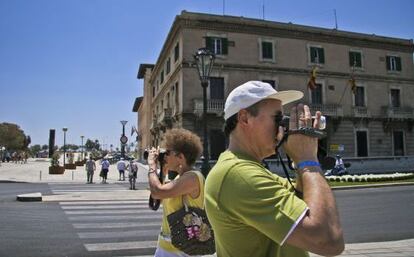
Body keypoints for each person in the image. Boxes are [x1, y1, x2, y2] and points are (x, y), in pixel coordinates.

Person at [205, 81, 344, 257]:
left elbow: (303, 204)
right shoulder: (238, 174)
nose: (282, 128)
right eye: (277, 118)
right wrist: (308, 160)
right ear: (244, 118)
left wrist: (300, 157)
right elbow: (329, 240)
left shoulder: (248, 169)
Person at [147, 128, 205, 257]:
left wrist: (151, 165)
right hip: (165, 247)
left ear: (180, 156)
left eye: (168, 152)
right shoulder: (179, 179)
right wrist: (163, 170)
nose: (165, 156)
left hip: (181, 251)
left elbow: (157, 192)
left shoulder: (193, 178)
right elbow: (155, 202)